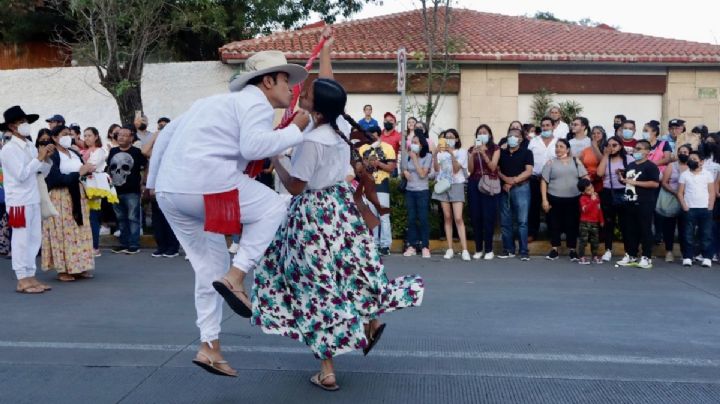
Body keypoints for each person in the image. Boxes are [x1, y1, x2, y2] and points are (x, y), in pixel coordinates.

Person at [146, 49, 312, 377]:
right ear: (267, 81)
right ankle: (237, 277)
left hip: (172, 191)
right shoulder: (255, 103)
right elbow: (253, 147)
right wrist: (297, 130)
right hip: (206, 184)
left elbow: (164, 136)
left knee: (210, 267)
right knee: (276, 206)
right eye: (285, 80)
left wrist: (153, 184)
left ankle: (210, 347)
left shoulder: (210, 103)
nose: (291, 88)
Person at [254, 77, 424, 392]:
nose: (299, 94)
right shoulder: (339, 130)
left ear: (316, 108)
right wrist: (327, 47)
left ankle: (327, 368)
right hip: (341, 206)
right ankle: (371, 318)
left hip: (313, 214)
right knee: (351, 269)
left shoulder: (312, 140)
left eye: (304, 93)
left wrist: (276, 158)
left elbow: (295, 186)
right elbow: (329, 83)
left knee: (315, 284)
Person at [0, 106, 54, 293]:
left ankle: (31, 276)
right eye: (21, 122)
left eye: (26, 122)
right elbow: (21, 174)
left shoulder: (30, 145)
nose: (25, 125)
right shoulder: (8, 150)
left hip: (33, 198)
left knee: (33, 239)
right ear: (12, 127)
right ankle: (22, 278)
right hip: (18, 201)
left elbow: (41, 172)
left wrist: (46, 159)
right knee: (21, 240)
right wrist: (38, 158)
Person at [42, 125, 96, 281]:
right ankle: (63, 269)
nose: (67, 137)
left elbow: (81, 172)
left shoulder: (73, 153)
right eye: (64, 134)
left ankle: (80, 266)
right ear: (54, 138)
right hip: (61, 197)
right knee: (63, 233)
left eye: (69, 134)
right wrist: (79, 173)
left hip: (78, 195)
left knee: (80, 231)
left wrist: (88, 171)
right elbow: (55, 179)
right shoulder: (53, 155)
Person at [541, 139, 589, 261]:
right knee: (554, 224)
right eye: (557, 147)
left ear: (567, 149)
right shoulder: (550, 163)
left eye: (561, 147)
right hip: (554, 197)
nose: (558, 149)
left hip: (573, 198)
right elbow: (544, 181)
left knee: (572, 224)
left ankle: (572, 250)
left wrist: (588, 192)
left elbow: (585, 177)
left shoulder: (575, 161)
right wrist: (544, 200)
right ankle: (554, 249)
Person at [617, 140, 660, 268]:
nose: (636, 151)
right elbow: (628, 182)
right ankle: (631, 255)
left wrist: (635, 183)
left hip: (644, 202)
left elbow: (655, 183)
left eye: (639, 149)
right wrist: (623, 180)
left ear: (647, 151)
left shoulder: (651, 166)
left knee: (645, 230)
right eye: (635, 148)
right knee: (630, 230)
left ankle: (646, 256)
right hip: (630, 201)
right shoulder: (630, 165)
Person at [108, 125, 147, 255]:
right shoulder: (113, 151)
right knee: (121, 219)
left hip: (132, 191)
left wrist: (143, 183)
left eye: (125, 135)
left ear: (131, 138)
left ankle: (134, 244)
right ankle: (124, 243)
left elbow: (145, 167)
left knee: (133, 218)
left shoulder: (136, 152)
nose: (121, 137)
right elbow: (110, 169)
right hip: (115, 191)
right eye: (119, 134)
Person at [432, 129, 470, 261]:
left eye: (451, 137)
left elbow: (456, 169)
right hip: (443, 185)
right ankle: (450, 248)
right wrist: (435, 154)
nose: (448, 139)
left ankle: (464, 249)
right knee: (447, 217)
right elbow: (437, 170)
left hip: (456, 185)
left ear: (457, 139)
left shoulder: (462, 152)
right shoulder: (440, 153)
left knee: (458, 218)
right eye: (446, 137)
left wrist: (451, 154)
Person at [358, 127, 396, 256]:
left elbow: (391, 168)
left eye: (373, 135)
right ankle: (373, 243)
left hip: (382, 185)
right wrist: (367, 165)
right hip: (368, 185)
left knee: (384, 215)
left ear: (378, 135)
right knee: (372, 215)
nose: (370, 138)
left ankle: (385, 245)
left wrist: (378, 164)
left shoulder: (388, 147)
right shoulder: (363, 149)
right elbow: (358, 168)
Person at [596, 135, 634, 262]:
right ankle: (608, 250)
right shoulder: (605, 159)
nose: (611, 148)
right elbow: (599, 173)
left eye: (614, 145)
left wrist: (622, 173)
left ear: (620, 146)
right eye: (609, 145)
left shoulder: (628, 158)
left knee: (626, 224)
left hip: (623, 191)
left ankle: (628, 251)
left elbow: (634, 175)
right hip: (608, 192)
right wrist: (606, 155)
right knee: (608, 223)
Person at [497, 129, 533, 260]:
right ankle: (508, 249)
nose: (512, 138)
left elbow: (528, 171)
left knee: (522, 222)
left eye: (515, 136)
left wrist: (512, 181)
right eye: (510, 136)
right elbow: (497, 170)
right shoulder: (501, 153)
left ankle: (524, 251)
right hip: (504, 189)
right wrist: (505, 179)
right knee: (505, 222)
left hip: (521, 188)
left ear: (521, 139)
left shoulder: (527, 152)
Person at [467, 124, 500, 260]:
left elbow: (493, 167)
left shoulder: (495, 148)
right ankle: (478, 248)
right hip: (474, 183)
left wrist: (484, 153)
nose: (482, 134)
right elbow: (470, 169)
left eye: (484, 132)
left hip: (488, 183)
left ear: (490, 135)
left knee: (488, 217)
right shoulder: (471, 149)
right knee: (476, 217)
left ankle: (489, 249)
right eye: (479, 133)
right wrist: (473, 155)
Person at [677, 151, 716, 267]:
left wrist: (710, 207)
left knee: (706, 234)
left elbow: (712, 192)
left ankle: (707, 257)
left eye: (694, 159)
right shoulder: (685, 174)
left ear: (702, 162)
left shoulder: (708, 174)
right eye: (690, 159)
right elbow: (680, 193)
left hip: (705, 208)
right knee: (688, 234)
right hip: (689, 208)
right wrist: (685, 206)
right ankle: (688, 256)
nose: (691, 161)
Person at [82, 127, 116, 257]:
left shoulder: (100, 151)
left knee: (93, 217)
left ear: (96, 136)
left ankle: (95, 246)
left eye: (89, 135)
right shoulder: (84, 151)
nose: (87, 138)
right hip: (84, 183)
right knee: (87, 216)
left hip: (94, 184)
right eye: (85, 136)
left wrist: (81, 165)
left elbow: (91, 166)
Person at [402, 123, 432, 258]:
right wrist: (404, 172)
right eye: (412, 142)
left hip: (422, 191)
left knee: (423, 218)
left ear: (422, 144)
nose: (413, 145)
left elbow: (422, 174)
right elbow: (404, 169)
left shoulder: (428, 157)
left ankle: (425, 246)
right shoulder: (408, 155)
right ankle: (412, 245)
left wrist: (415, 159)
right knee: (411, 219)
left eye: (416, 142)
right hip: (410, 190)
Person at [527, 116, 558, 240]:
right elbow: (528, 158)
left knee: (552, 207)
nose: (545, 128)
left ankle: (553, 234)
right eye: (543, 126)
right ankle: (532, 233)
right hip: (535, 179)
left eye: (548, 125)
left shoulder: (559, 141)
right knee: (533, 207)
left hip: (552, 181)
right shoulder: (534, 141)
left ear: (553, 127)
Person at [660, 144, 691, 263]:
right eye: (681, 151)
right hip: (672, 199)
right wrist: (675, 192)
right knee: (669, 227)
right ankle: (669, 251)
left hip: (687, 200)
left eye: (686, 152)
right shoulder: (671, 166)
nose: (683, 154)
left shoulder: (691, 166)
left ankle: (685, 253)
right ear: (677, 153)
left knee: (685, 228)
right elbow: (664, 182)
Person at [576, 178, 604, 264]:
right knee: (583, 241)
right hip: (585, 222)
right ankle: (581, 257)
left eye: (591, 187)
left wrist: (601, 220)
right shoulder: (582, 199)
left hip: (595, 222)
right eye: (588, 190)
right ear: (583, 192)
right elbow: (585, 210)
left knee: (595, 241)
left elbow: (599, 209)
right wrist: (592, 200)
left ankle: (594, 256)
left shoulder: (596, 196)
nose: (591, 190)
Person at [579, 125, 606, 194]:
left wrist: (595, 147)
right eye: (593, 133)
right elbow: (581, 165)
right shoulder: (586, 150)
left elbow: (603, 162)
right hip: (588, 181)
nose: (595, 135)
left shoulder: (606, 148)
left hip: (601, 181)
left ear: (603, 135)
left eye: (598, 133)